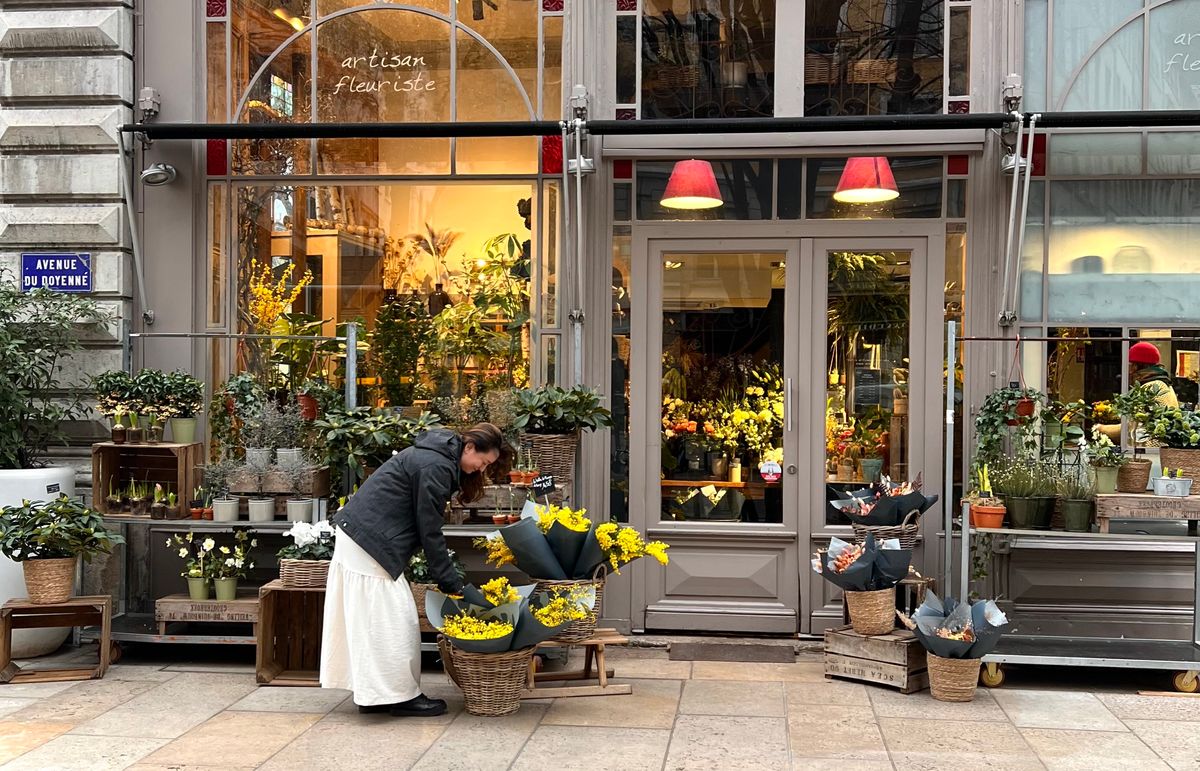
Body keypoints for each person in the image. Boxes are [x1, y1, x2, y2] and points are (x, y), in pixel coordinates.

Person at [320, 422, 504, 716]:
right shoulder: (436, 466)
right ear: (469, 447)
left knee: (374, 623)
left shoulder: (435, 457)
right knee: (397, 623)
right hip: (369, 541)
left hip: (360, 536)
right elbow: (429, 531)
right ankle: (401, 698)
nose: (481, 469)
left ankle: (374, 696)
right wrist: (453, 584)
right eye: (482, 462)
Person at [1129, 341, 1179, 409]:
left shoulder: (1150, 387)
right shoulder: (1163, 382)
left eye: (1130, 364)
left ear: (1136, 365)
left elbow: (1136, 416)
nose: (1129, 370)